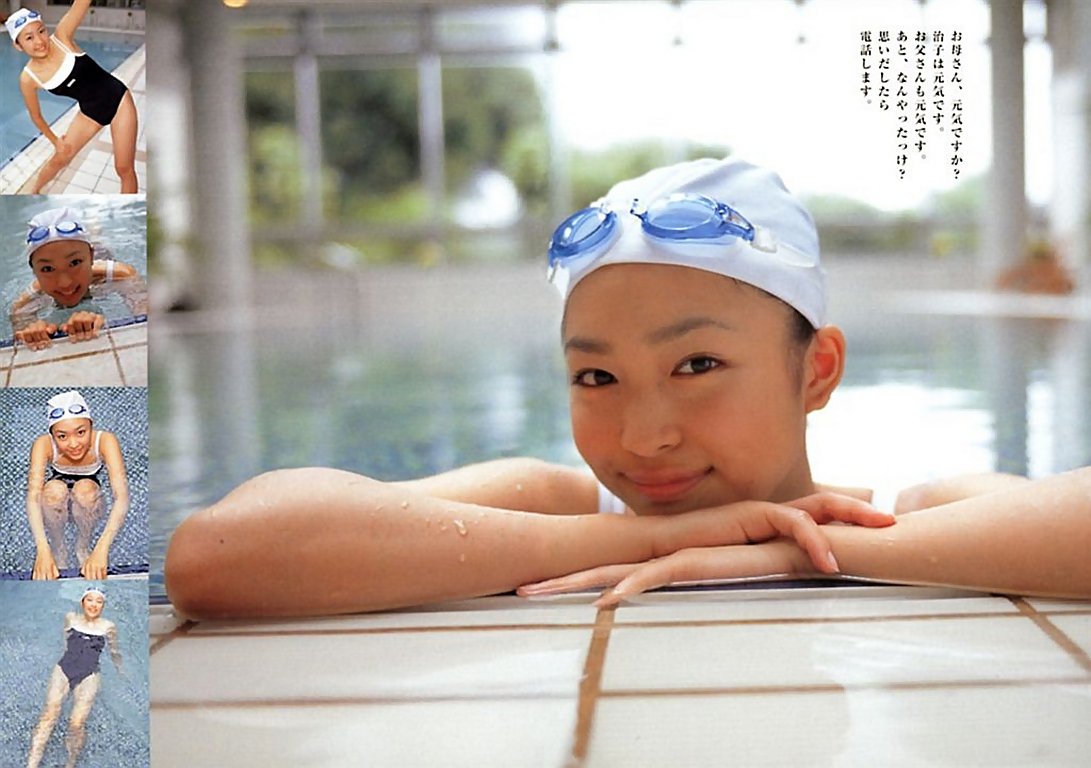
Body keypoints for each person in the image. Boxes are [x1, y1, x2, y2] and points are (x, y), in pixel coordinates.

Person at [163, 157, 1091, 619]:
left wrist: (788, 555)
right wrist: (657, 535)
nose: (644, 437)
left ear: (815, 370)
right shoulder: (559, 504)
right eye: (596, 376)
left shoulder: (904, 513)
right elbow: (215, 557)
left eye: (696, 366)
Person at [7, 2, 139, 194]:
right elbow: (36, 116)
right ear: (18, 45)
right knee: (59, 158)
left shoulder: (62, 38)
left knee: (124, 168)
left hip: (118, 100)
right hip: (90, 112)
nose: (40, 41)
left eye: (41, 31)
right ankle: (34, 192)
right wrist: (55, 141)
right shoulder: (29, 78)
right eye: (29, 37)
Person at [9, 206, 146, 351]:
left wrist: (104, 322)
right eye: (47, 269)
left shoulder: (120, 275)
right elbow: (20, 333)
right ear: (34, 271)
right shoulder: (26, 302)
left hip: (101, 255)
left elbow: (147, 320)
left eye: (75, 263)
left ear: (91, 257)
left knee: (97, 241)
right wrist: (32, 332)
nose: (65, 283)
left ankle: (94, 228)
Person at [27, 390, 131, 580]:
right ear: (52, 435)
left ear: (91, 426)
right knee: (53, 491)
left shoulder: (105, 441)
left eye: (81, 432)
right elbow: (33, 498)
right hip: (55, 500)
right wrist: (43, 549)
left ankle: (83, 545)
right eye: (62, 436)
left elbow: (122, 497)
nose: (74, 444)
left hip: (89, 500)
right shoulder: (43, 444)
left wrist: (102, 548)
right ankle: (59, 546)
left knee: (85, 490)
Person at [27, 586, 122, 768]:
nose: (94, 605)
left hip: (89, 674)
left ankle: (70, 763)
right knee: (49, 715)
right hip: (64, 669)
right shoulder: (71, 618)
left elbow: (114, 651)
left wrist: (120, 670)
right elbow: (65, 640)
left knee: (76, 723)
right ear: (82, 602)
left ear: (103, 606)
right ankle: (31, 764)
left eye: (99, 601)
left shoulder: (108, 627)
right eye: (90, 600)